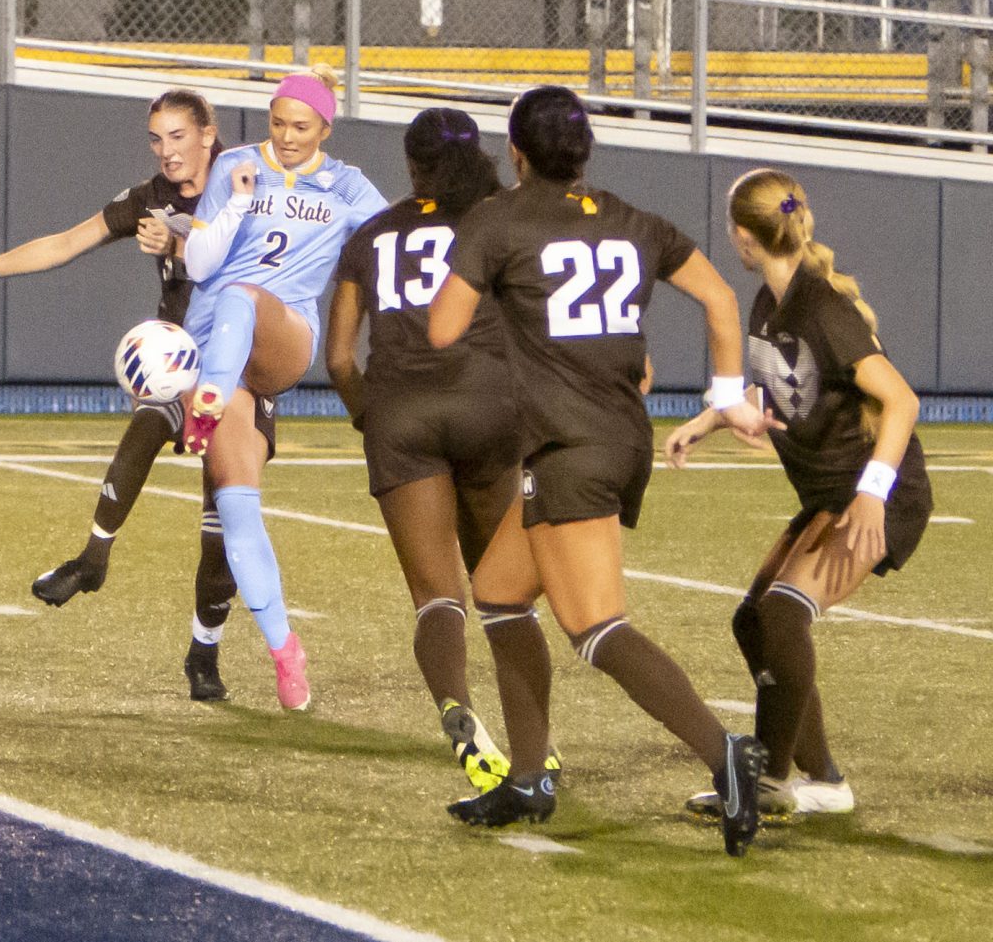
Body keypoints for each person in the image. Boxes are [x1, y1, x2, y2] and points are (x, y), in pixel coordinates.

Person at [428, 85, 771, 857]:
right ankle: (527, 777)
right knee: (500, 595)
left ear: (516, 153)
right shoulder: (627, 217)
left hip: (569, 445)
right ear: (584, 153)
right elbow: (720, 300)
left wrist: (503, 285)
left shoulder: (501, 219)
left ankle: (725, 755)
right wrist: (724, 397)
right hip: (616, 433)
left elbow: (444, 327)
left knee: (596, 627)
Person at [0, 89, 271, 702]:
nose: (168, 151)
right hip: (183, 355)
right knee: (150, 414)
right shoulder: (148, 199)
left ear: (209, 135)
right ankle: (93, 557)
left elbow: (261, 264)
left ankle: (204, 650)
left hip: (242, 369)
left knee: (223, 525)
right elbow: (63, 242)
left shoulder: (246, 183)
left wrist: (182, 246)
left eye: (179, 137)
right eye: (157, 138)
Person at [666, 168, 932, 819]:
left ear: (743, 237)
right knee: (754, 619)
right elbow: (777, 382)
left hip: (878, 492)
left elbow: (902, 400)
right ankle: (826, 780)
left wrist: (873, 493)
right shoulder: (769, 303)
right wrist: (709, 421)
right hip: (830, 491)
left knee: (785, 614)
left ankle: (766, 780)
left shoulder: (821, 305)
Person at [326, 107, 562, 792]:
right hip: (492, 406)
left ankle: (458, 710)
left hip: (403, 412)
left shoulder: (373, 233)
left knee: (438, 600)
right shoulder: (500, 219)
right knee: (507, 597)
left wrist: (375, 416)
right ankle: (533, 748)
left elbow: (340, 357)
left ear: (412, 165)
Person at [178, 64, 387, 711]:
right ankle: (282, 647)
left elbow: (396, 241)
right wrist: (238, 199)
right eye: (278, 123)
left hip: (283, 334)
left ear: (326, 126)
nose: (288, 136)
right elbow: (197, 262)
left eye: (301, 126)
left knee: (244, 295)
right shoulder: (236, 164)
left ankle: (204, 403)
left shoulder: (349, 184)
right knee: (238, 510)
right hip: (217, 345)